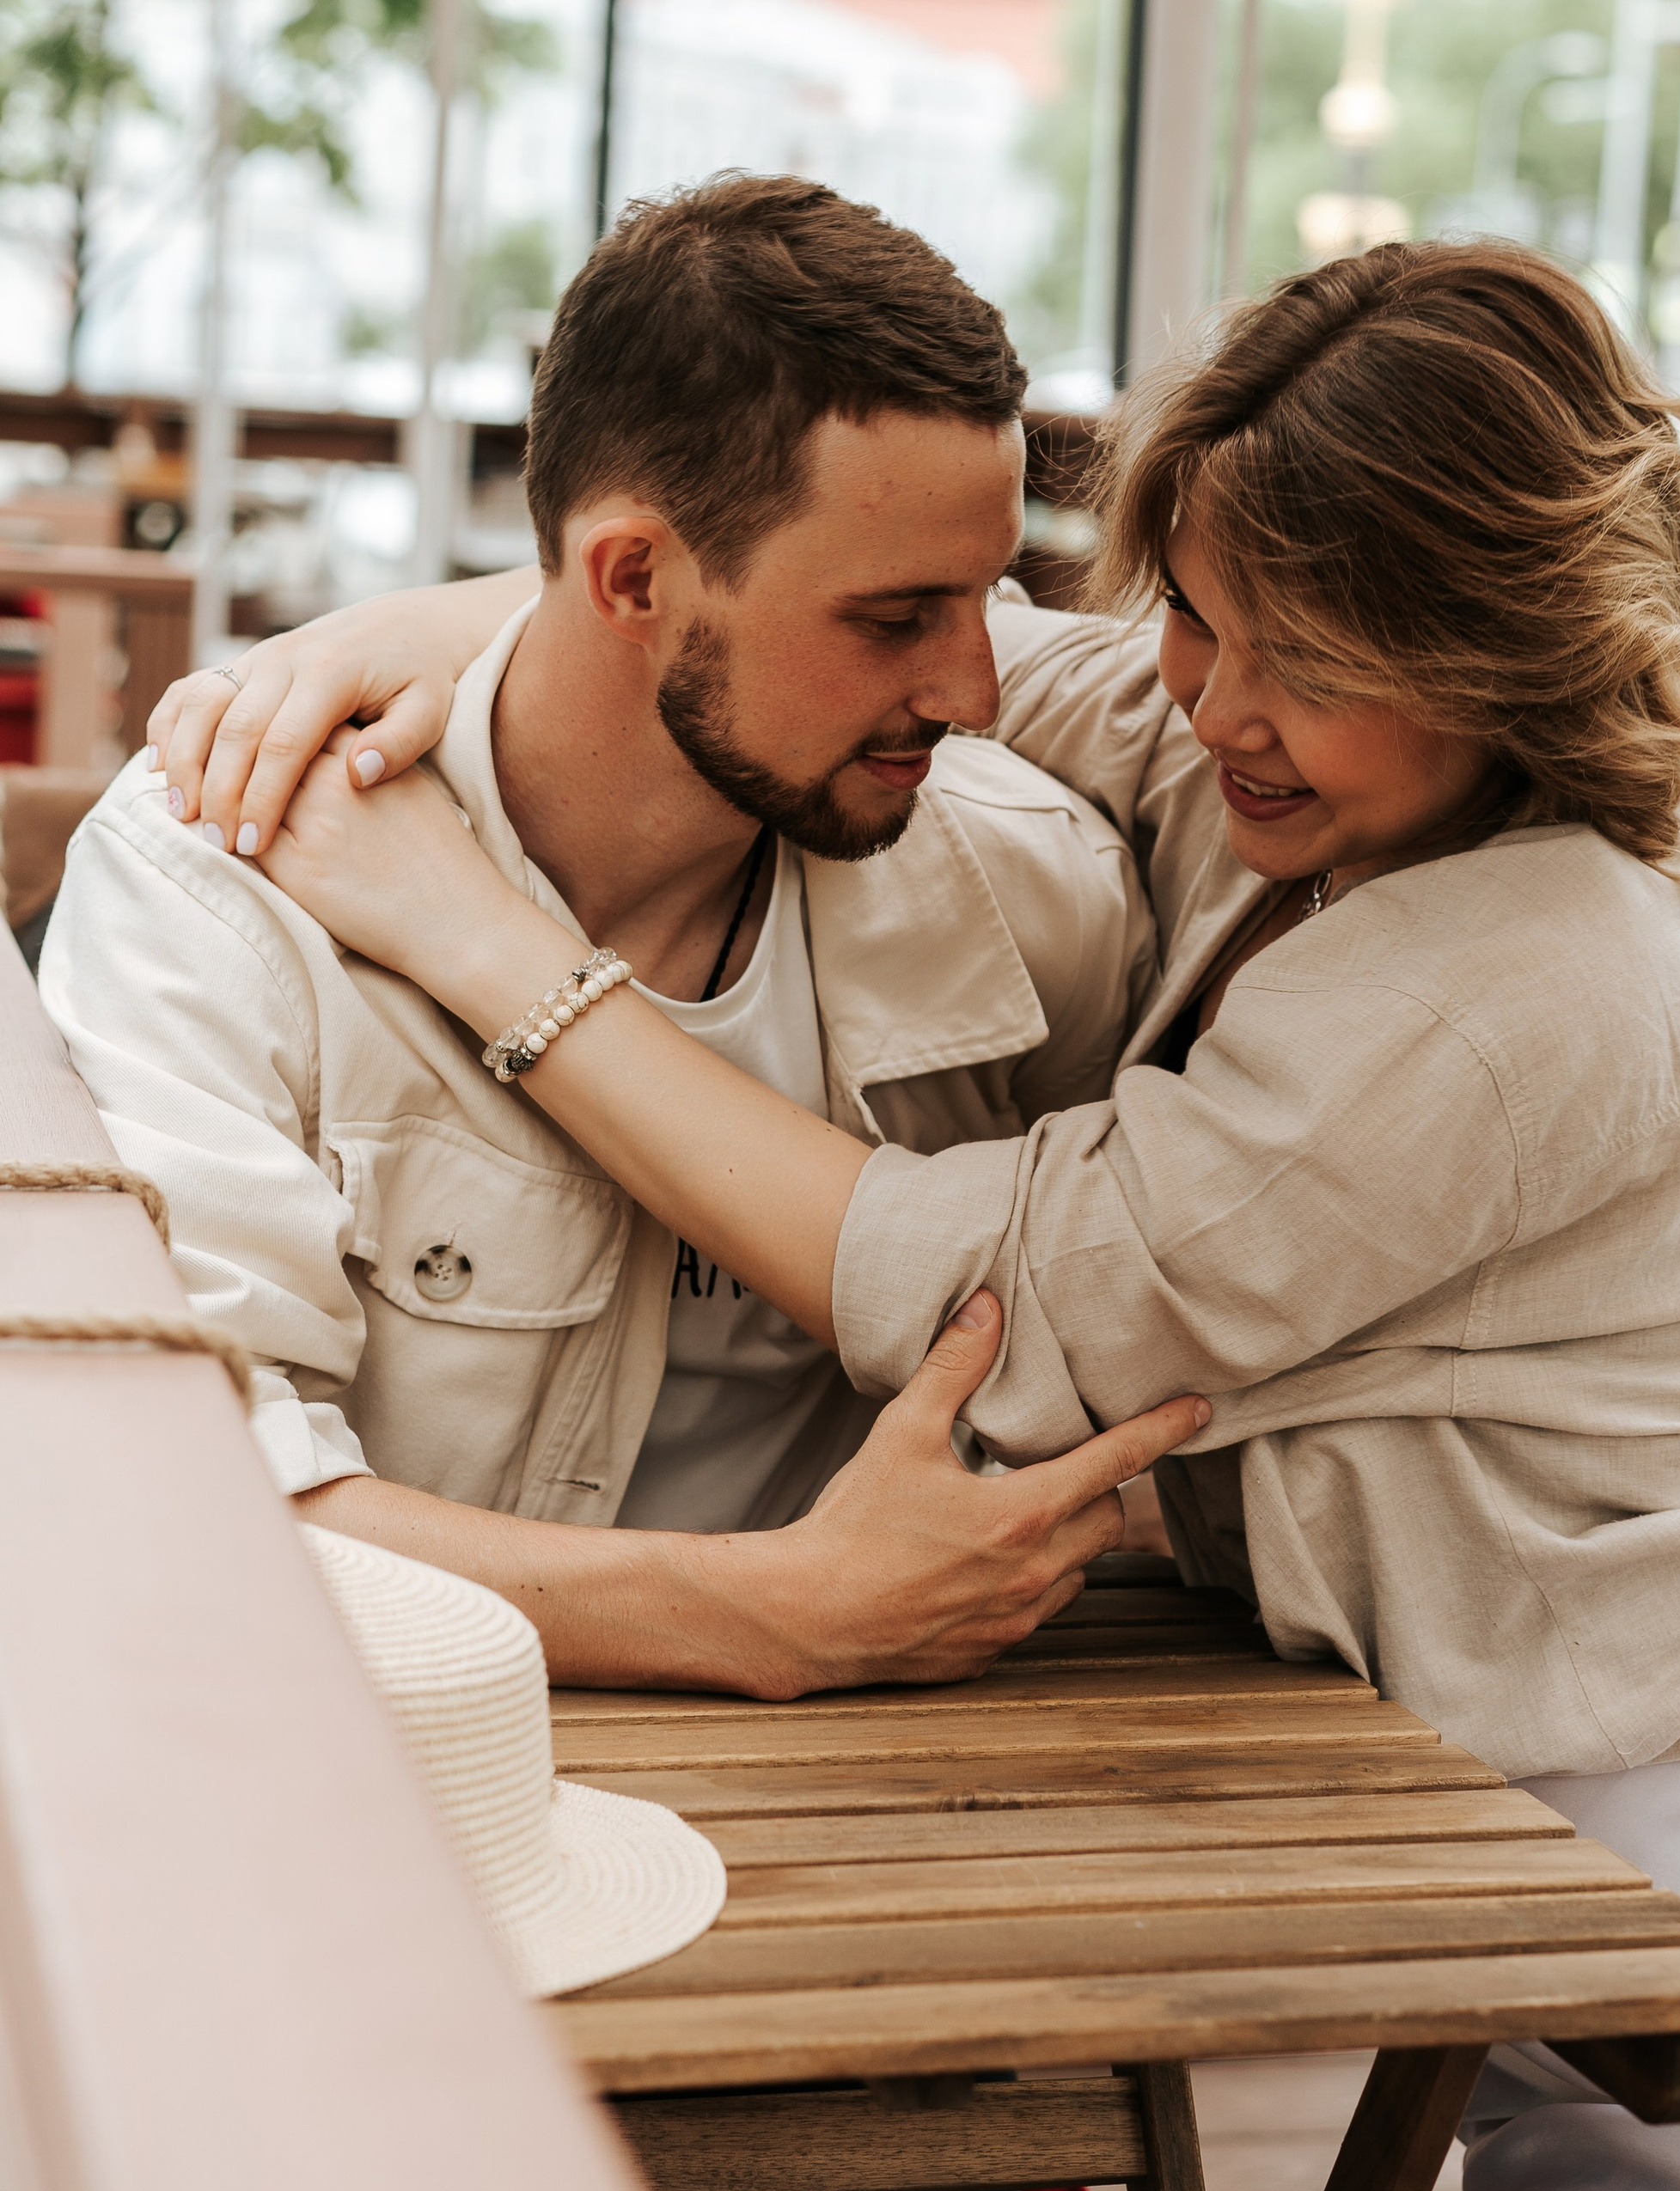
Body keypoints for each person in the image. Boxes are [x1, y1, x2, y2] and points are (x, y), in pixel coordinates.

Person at [157, 238, 1680, 2191]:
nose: (1204, 700)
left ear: (1494, 655)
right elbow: (788, 635)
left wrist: (480, 945)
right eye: (1199, 615)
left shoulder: (1556, 959)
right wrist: (362, 643)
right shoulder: (1293, 759)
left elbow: (984, 1306)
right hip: (1486, 1818)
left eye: (1296, 661)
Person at [40, 172, 1210, 1699]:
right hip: (370, 1777)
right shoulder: (224, 887)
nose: (976, 692)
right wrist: (769, 1609)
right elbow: (187, 1502)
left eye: (988, 596)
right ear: (634, 578)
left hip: (898, 1795)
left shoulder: (1030, 897)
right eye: (895, 616)